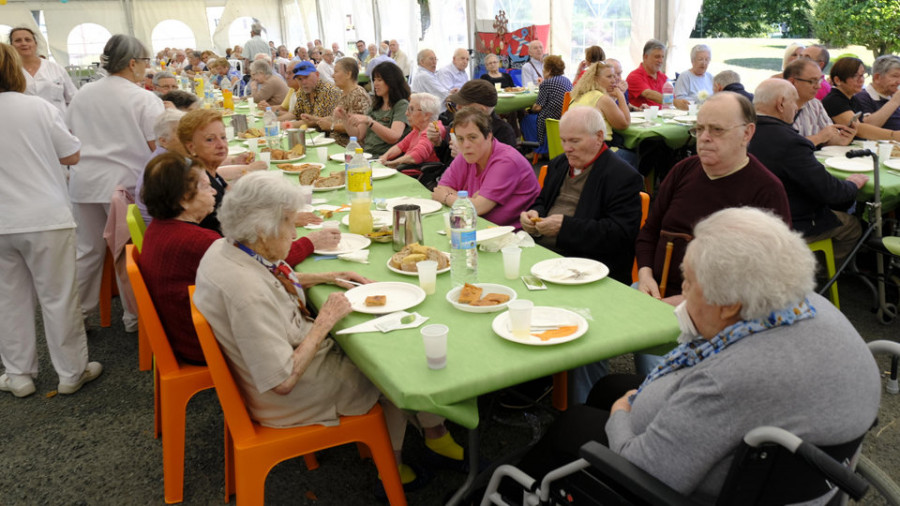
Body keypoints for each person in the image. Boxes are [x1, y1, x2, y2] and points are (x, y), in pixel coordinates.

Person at [506, 206, 881, 505]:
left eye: (689, 282)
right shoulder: (802, 302)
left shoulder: (731, 378)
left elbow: (646, 468)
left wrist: (621, 417)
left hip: (696, 486)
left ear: (730, 304)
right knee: (610, 385)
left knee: (574, 424)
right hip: (795, 461)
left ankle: (506, 492)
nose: (682, 291)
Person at [193, 172, 466, 488]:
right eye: (289, 224)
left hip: (273, 365)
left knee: (378, 334)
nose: (295, 233)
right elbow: (282, 380)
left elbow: (270, 278)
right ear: (261, 230)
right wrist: (325, 321)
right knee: (393, 364)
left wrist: (330, 275)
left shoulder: (227, 248)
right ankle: (391, 469)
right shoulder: (246, 292)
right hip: (292, 395)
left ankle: (434, 434)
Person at [138, 153, 337, 365]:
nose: (215, 191)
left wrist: (328, 276)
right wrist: (311, 242)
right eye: (206, 186)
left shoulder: (160, 227)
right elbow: (267, 260)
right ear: (184, 200)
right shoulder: (199, 242)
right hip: (203, 345)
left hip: (182, 332)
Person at [0, 42, 102, 398]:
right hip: (45, 214)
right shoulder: (38, 108)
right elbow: (72, 154)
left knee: (8, 299)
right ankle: (71, 371)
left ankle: (19, 374)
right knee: (58, 296)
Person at [635, 92, 790, 304]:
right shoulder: (682, 171)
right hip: (653, 292)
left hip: (716, 310)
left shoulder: (766, 190)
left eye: (717, 129)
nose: (705, 137)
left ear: (747, 133)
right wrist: (645, 276)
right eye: (699, 129)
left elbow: (767, 275)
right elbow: (649, 233)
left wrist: (689, 303)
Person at [66, 34, 165, 330]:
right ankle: (134, 317)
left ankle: (77, 317)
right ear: (133, 63)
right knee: (127, 254)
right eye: (146, 62)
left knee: (87, 252)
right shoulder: (143, 98)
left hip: (84, 182)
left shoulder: (84, 93)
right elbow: (159, 147)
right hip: (123, 185)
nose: (148, 68)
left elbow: (70, 133)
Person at [521, 106, 642, 283]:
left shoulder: (622, 176)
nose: (567, 148)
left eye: (575, 141)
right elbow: (542, 201)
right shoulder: (559, 164)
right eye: (563, 140)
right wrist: (534, 214)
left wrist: (565, 228)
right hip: (544, 257)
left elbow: (619, 235)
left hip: (587, 268)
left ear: (599, 137)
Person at [750, 79, 864, 262]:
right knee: (852, 226)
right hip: (788, 222)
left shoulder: (742, 131)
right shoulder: (790, 142)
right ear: (780, 104)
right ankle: (814, 275)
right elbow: (831, 192)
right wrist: (853, 184)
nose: (796, 108)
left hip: (749, 217)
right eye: (794, 102)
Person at [432, 108, 540, 228]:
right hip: (476, 226)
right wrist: (471, 200)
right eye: (460, 139)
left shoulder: (506, 161)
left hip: (513, 236)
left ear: (488, 136)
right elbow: (441, 188)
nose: (466, 145)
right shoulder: (468, 154)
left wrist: (448, 198)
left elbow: (478, 208)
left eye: (472, 137)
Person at [176, 109, 266, 233]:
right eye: (210, 139)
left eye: (223, 137)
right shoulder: (199, 186)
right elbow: (233, 229)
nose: (221, 145)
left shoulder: (207, 171)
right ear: (191, 147)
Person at [427, 79, 518, 165]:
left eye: (463, 105)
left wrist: (465, 156)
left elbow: (502, 172)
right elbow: (447, 161)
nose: (457, 107)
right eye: (457, 103)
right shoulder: (461, 125)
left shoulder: (503, 132)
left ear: (481, 110)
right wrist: (438, 143)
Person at [342, 61, 411, 157]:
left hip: (385, 158)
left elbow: (394, 137)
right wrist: (344, 118)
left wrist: (370, 122)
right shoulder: (376, 105)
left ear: (391, 82)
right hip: (367, 155)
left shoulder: (401, 105)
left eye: (379, 80)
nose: (375, 84)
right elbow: (358, 136)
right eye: (374, 80)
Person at [822, 57, 899, 141]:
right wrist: (893, 135)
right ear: (837, 80)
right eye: (855, 76)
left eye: (862, 75)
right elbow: (858, 128)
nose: (861, 80)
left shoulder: (852, 99)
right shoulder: (834, 99)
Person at [783, 59, 855, 147]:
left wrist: (844, 139)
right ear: (792, 82)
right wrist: (818, 137)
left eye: (819, 80)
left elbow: (828, 138)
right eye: (812, 81)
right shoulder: (778, 106)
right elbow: (784, 145)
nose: (818, 86)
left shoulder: (815, 104)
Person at [9, 27, 77, 114]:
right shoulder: (8, 72)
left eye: (28, 40)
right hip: (25, 122)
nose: (24, 43)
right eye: (18, 40)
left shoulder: (56, 69)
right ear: (11, 46)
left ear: (35, 44)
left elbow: (73, 99)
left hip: (58, 122)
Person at [307, 57, 371, 147]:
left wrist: (330, 126)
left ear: (348, 74)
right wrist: (315, 119)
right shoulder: (343, 93)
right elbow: (338, 119)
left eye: (336, 72)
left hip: (349, 147)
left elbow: (356, 127)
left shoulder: (359, 96)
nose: (333, 75)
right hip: (335, 143)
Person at [378, 93, 445, 168]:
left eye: (411, 109)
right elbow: (400, 146)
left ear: (426, 115)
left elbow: (416, 156)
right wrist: (384, 157)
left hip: (417, 176)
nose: (406, 113)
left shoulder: (433, 130)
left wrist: (391, 163)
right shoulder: (418, 129)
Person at [569, 61, 631, 142]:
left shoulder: (578, 96)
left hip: (578, 146)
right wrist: (621, 95)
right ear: (595, 79)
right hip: (598, 149)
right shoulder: (602, 98)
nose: (613, 81)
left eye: (614, 76)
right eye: (609, 77)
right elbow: (624, 124)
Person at [627, 39, 687, 109]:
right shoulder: (634, 76)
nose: (661, 61)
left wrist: (680, 103)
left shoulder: (664, 77)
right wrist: (674, 102)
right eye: (657, 57)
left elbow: (672, 99)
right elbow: (648, 94)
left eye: (662, 57)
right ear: (645, 57)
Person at [282, 61, 341, 126]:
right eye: (299, 79)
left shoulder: (328, 91)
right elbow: (295, 114)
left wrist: (285, 125)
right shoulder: (303, 91)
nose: (303, 82)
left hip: (329, 134)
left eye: (306, 77)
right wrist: (274, 121)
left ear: (317, 75)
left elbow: (314, 122)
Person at [531, 55, 571, 148]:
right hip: (564, 116)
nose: (543, 71)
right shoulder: (566, 80)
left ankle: (538, 150)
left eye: (544, 68)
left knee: (527, 120)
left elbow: (538, 107)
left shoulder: (547, 83)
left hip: (551, 119)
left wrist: (531, 108)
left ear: (549, 70)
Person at [854, 54, 900, 131]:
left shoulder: (892, 95)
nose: (899, 82)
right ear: (877, 78)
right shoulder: (862, 97)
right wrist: (895, 101)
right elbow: (867, 127)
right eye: (895, 76)